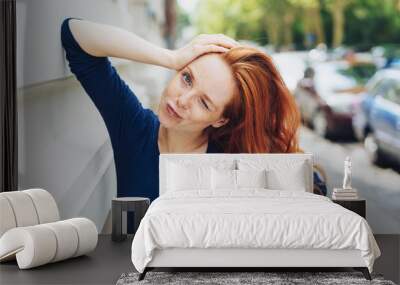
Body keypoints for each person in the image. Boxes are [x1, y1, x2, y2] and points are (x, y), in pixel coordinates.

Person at [60, 17, 327, 205]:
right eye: (187, 78)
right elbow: (74, 34)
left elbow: (310, 184)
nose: (183, 99)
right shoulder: (134, 128)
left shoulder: (232, 161)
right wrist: (171, 58)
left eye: (204, 102)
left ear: (221, 120)